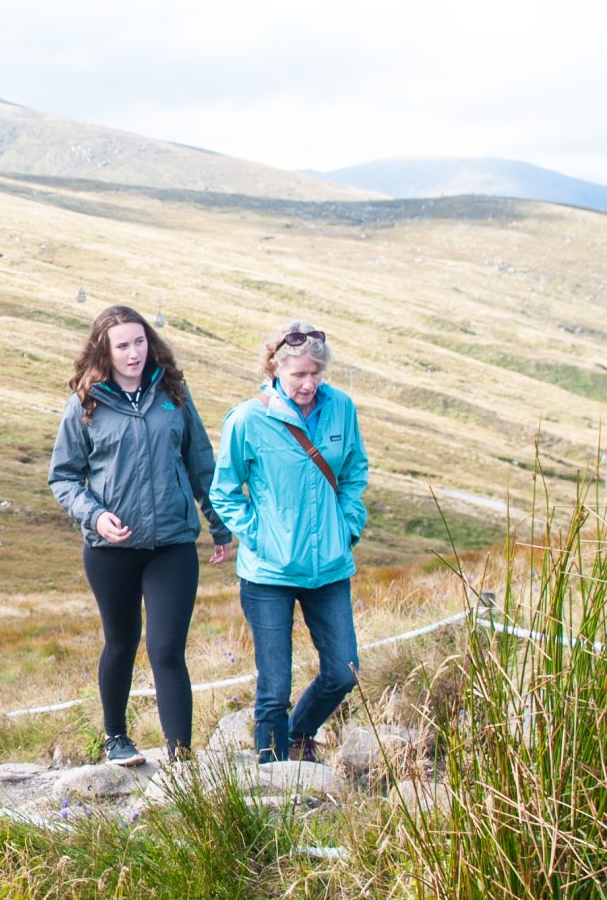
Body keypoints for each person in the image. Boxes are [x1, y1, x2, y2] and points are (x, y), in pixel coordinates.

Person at [48, 305, 234, 765]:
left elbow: (200, 464)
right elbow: (64, 478)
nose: (133, 353)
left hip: (172, 544)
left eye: (139, 342)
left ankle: (180, 755)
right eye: (122, 345)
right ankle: (116, 738)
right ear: (103, 351)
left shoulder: (174, 394)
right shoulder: (85, 403)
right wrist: (94, 517)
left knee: (167, 648)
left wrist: (219, 525)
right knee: (122, 642)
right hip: (111, 550)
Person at [209, 320, 370, 764]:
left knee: (343, 671)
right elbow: (224, 491)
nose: (309, 383)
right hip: (269, 573)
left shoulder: (341, 408)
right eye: (299, 374)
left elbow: (355, 471)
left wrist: (349, 523)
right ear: (276, 369)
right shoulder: (248, 419)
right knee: (274, 686)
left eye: (316, 373)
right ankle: (271, 774)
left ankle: (299, 734)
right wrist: (261, 537)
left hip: (331, 566)